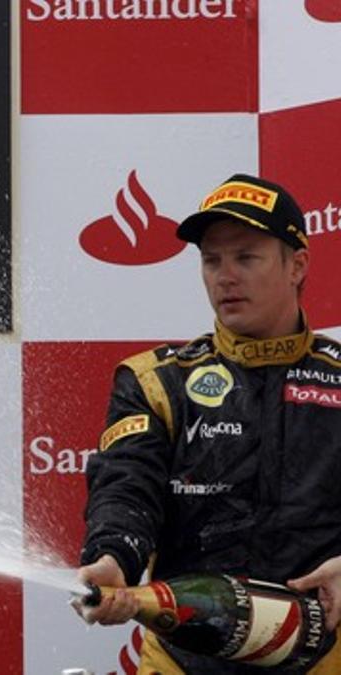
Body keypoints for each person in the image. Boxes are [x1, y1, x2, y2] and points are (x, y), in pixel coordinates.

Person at [76, 174, 341, 672]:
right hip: (182, 659)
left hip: (323, 655)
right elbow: (126, 486)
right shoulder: (156, 380)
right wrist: (113, 556)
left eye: (246, 257)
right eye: (211, 260)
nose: (225, 276)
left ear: (297, 265)